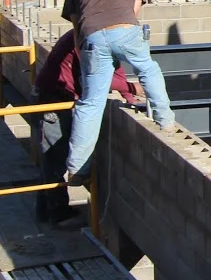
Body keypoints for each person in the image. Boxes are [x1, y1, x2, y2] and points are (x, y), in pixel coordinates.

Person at [62, 0, 175, 183]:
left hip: (91, 38)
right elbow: (133, 14)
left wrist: (84, 54)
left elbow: (76, 24)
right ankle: (165, 122)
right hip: (125, 32)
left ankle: (77, 169)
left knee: (91, 103)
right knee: (147, 68)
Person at [34, 30, 138, 224]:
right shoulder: (86, 40)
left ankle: (47, 212)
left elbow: (116, 72)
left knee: (52, 161)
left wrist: (130, 98)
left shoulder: (102, 38)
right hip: (54, 102)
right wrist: (131, 88)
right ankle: (56, 214)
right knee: (54, 160)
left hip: (64, 100)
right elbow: (91, 77)